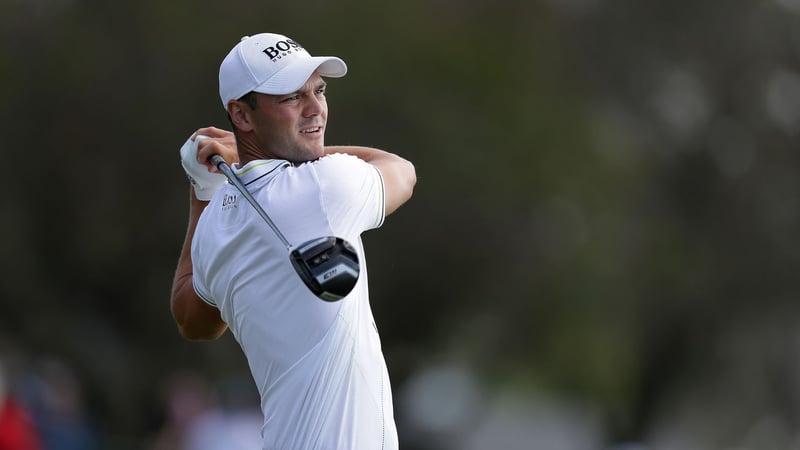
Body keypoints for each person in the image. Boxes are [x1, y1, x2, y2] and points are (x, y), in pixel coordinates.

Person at [170, 32, 416, 450]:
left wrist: (201, 191)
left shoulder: (214, 226)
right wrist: (237, 153)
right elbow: (400, 170)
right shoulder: (326, 186)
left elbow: (192, 320)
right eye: (290, 98)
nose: (315, 108)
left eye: (318, 91)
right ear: (241, 116)